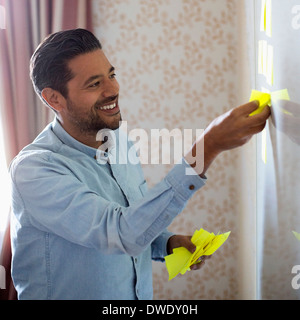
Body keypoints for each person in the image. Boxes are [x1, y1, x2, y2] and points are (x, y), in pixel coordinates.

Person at [9, 29, 270, 300]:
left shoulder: (120, 144)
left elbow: (132, 221)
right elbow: (120, 232)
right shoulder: (34, 171)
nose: (113, 90)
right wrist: (207, 148)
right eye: (94, 84)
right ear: (53, 99)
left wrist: (166, 243)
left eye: (111, 75)